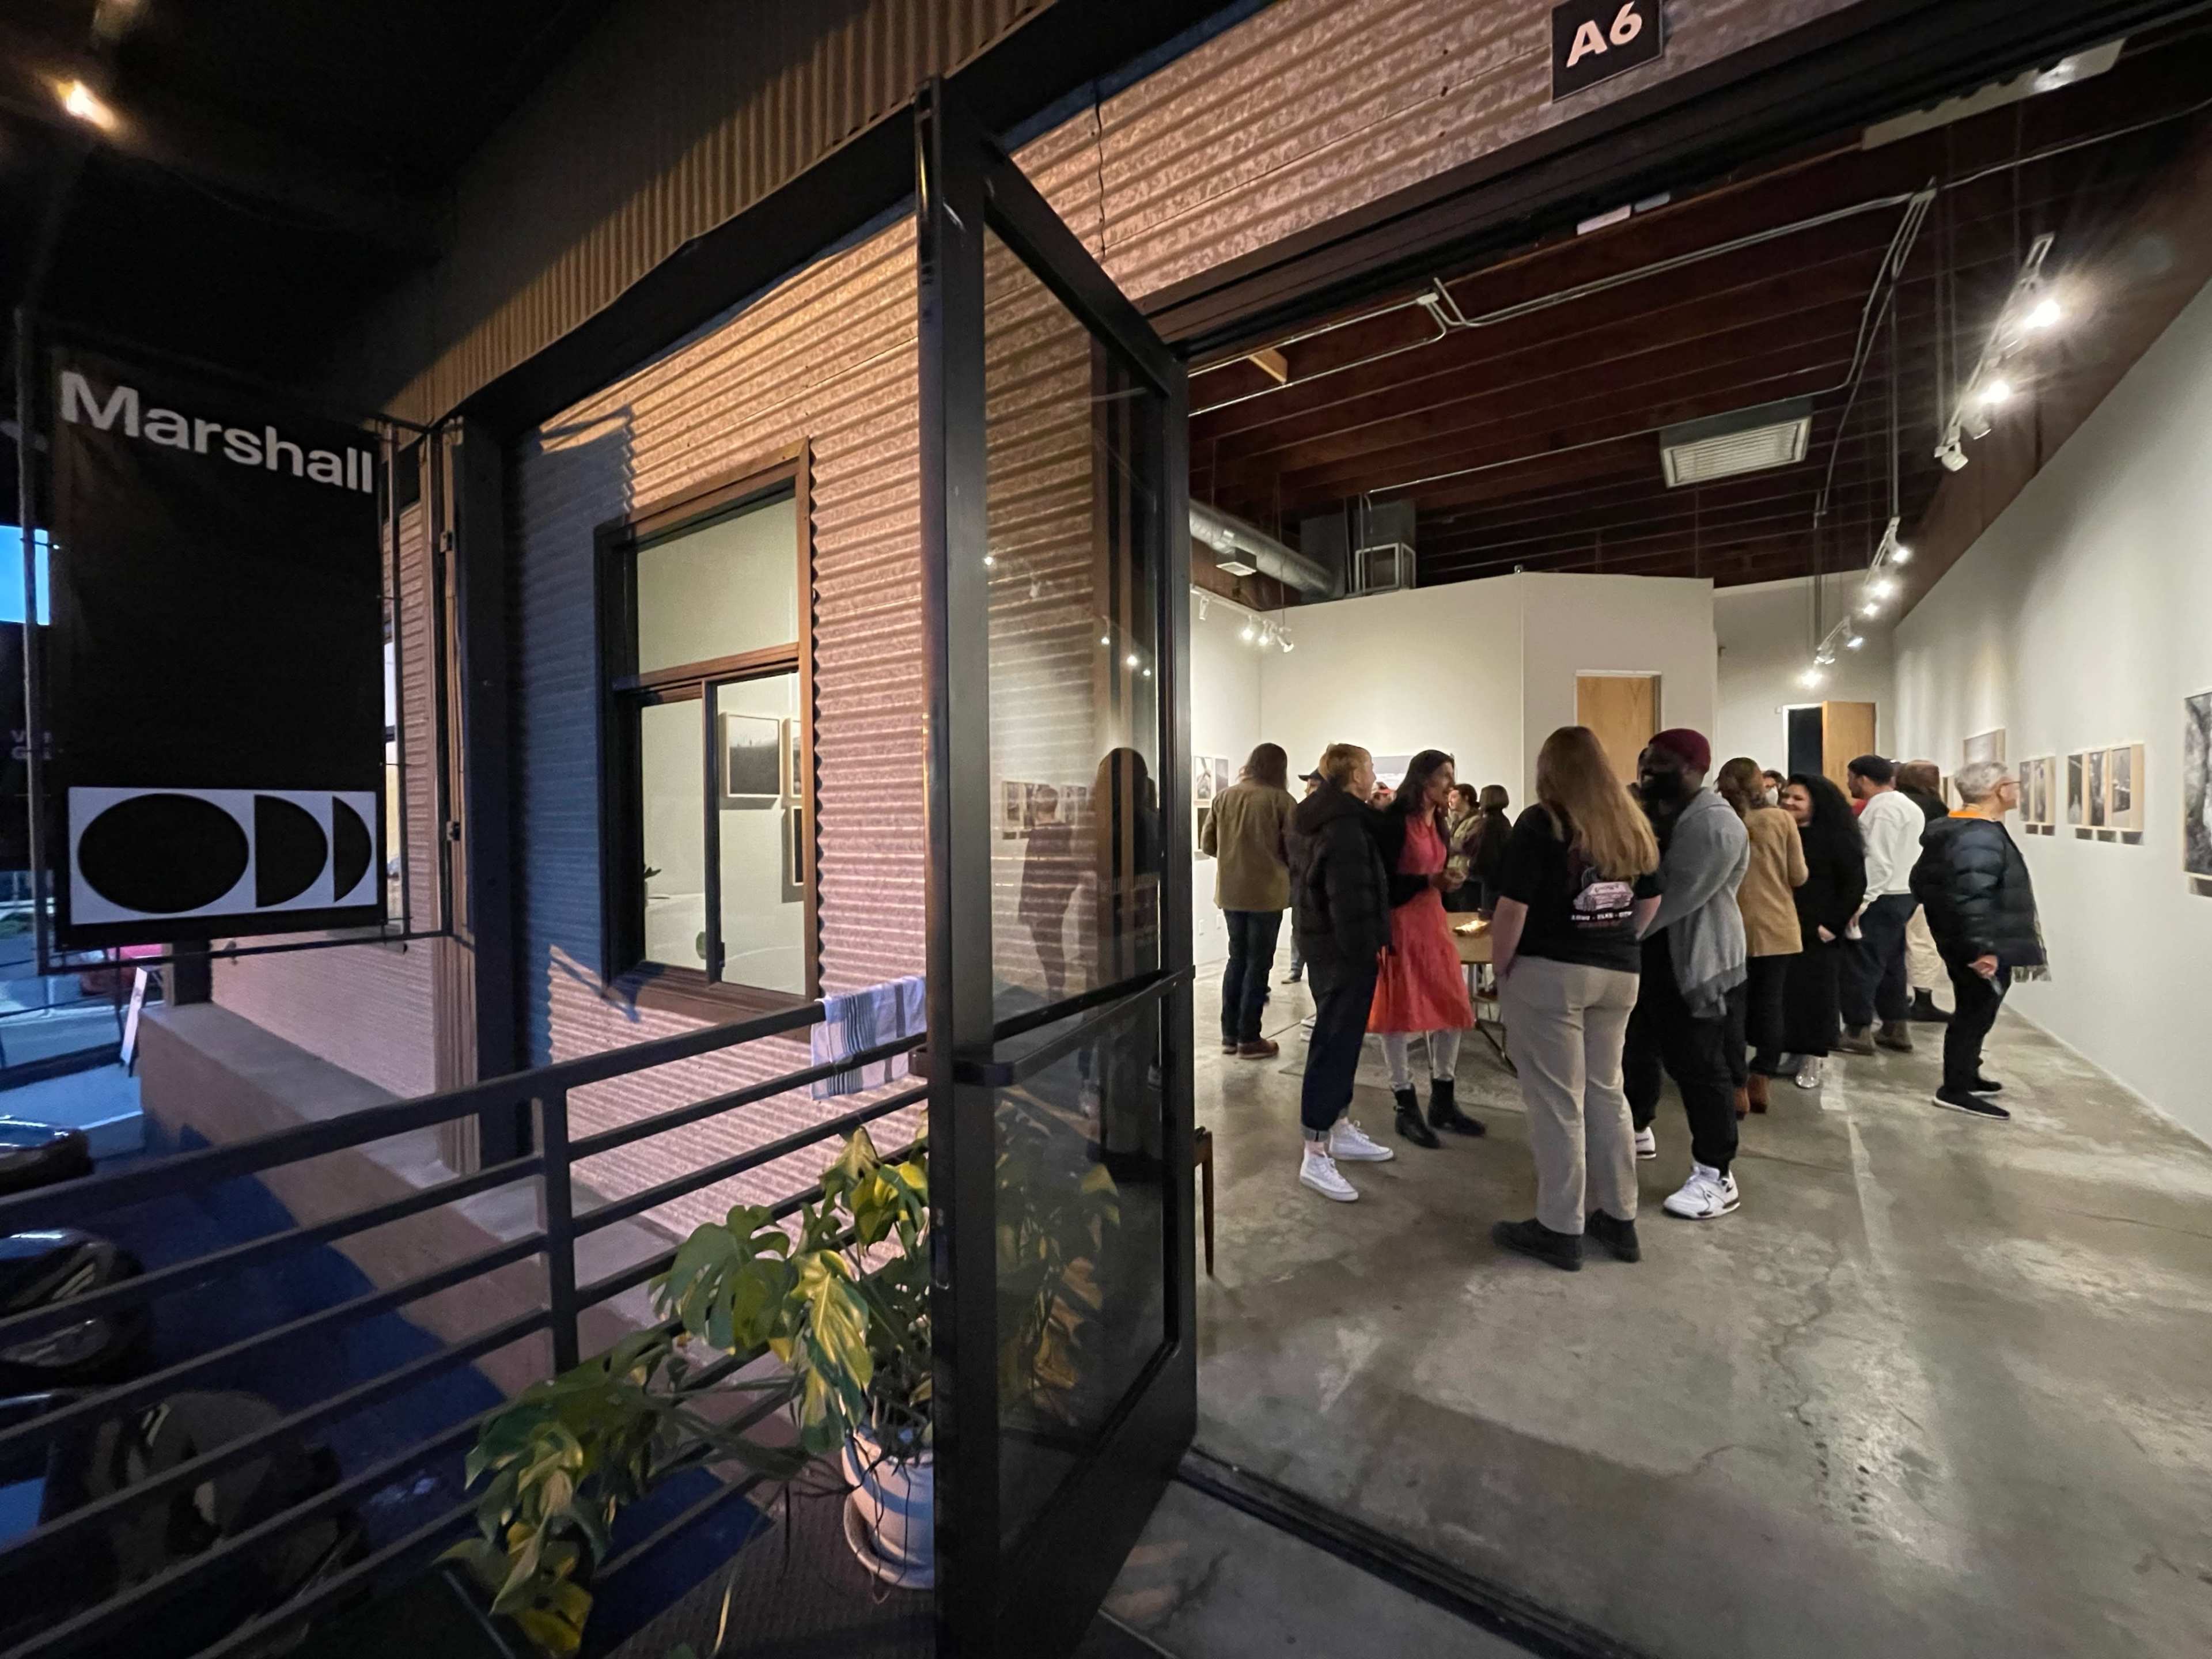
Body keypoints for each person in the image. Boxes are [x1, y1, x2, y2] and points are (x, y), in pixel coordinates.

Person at [1487, 726, 1662, 1272]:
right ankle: (1620, 1217)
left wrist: (1502, 969)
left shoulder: (1543, 823)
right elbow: (1652, 899)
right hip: (1618, 974)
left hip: (1552, 973)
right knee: (1608, 1092)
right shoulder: (1630, 822)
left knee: (1558, 1102)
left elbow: (1511, 910)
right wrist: (1617, 938)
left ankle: (1560, 1226)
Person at [1623, 729, 1749, 1219]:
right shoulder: (1658, 811)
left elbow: (1667, 898)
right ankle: (1635, 1127)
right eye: (1646, 761)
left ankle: (1717, 1174)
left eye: (1663, 763)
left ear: (1697, 768)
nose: (1650, 771)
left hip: (1694, 959)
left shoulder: (1714, 825)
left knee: (1699, 1066)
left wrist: (1614, 933)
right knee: (1638, 1048)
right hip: (1652, 956)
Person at [1287, 744, 1399, 1200]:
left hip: (1326, 945)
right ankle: (1315, 1150)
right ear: (1353, 775)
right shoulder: (1344, 827)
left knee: (1344, 1039)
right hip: (1343, 951)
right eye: (1370, 767)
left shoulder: (1319, 816)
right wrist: (1363, 949)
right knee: (1332, 1043)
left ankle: (1337, 1125)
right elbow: (1346, 896)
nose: (1374, 774)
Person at [1911, 760, 2048, 1120]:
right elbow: (1973, 895)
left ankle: (1966, 1074)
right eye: (2014, 784)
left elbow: (1923, 883)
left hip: (1965, 939)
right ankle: (1954, 1089)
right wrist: (1981, 949)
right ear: (2000, 790)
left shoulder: (1961, 830)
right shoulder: (1978, 836)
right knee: (1974, 1012)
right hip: (1976, 945)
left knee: (1979, 1009)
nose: (2018, 790)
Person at [1370, 750, 1483, 1145]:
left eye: (1452, 776)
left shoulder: (1437, 820)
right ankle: (1405, 1103)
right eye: (1444, 777)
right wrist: (1428, 883)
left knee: (1452, 1005)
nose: (1450, 785)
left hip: (1432, 921)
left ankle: (1443, 1098)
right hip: (1402, 923)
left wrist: (1443, 884)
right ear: (1423, 779)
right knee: (1399, 1013)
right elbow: (1382, 884)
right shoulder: (1393, 822)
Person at [1716, 756, 1806, 1118]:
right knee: (1771, 1005)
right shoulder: (1780, 820)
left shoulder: (1720, 821)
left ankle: (1735, 1085)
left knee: (1732, 1010)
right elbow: (1798, 875)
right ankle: (1761, 1080)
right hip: (1777, 925)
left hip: (1730, 925)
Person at [1200, 743, 1298, 1060]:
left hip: (1231, 893)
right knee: (1259, 963)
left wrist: (1235, 857)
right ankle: (1249, 1038)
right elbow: (1294, 851)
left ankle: (1229, 1035)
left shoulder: (1224, 796)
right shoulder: (1282, 801)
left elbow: (1208, 844)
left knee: (1236, 959)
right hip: (1267, 895)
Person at [1769, 774, 1865, 1090]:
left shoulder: (1837, 838)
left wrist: (1831, 927)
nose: (1788, 803)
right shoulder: (1783, 832)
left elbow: (1854, 886)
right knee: (1788, 993)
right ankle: (1793, 1052)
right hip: (1786, 925)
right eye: (1786, 797)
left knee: (1817, 995)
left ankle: (1813, 1056)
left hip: (1820, 929)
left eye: (1798, 799)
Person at [1840, 755, 1921, 1056]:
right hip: (1901, 894)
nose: (1848, 784)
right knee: (1891, 963)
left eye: (1850, 777)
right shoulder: (1906, 806)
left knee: (1862, 963)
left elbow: (1878, 861)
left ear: (1861, 778)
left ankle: (1858, 1031)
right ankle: (1894, 1026)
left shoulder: (1884, 810)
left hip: (1882, 895)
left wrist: (1861, 902)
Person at [1895, 760, 1952, 1024]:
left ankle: (1892, 997)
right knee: (1922, 941)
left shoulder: (1894, 803)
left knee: (1893, 943)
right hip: (1923, 883)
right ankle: (1923, 1000)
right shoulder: (1937, 808)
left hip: (1894, 884)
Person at [1283, 770, 1324, 984]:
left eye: (1314, 785)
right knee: (1298, 926)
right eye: (1309, 785)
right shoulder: (1299, 813)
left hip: (1315, 880)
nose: (1308, 789)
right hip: (1300, 879)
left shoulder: (1327, 815)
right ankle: (1295, 968)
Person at [1471, 783, 1513, 915]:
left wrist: (1471, 868)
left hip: (1492, 882)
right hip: (1502, 879)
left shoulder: (1491, 824)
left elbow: (1487, 855)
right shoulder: (1503, 821)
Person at [1443, 783, 1483, 912]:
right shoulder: (1453, 821)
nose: (1450, 801)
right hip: (1451, 877)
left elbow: (1466, 845)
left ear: (1466, 797)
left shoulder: (1477, 820)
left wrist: (1443, 843)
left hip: (1467, 878)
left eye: (1454, 797)